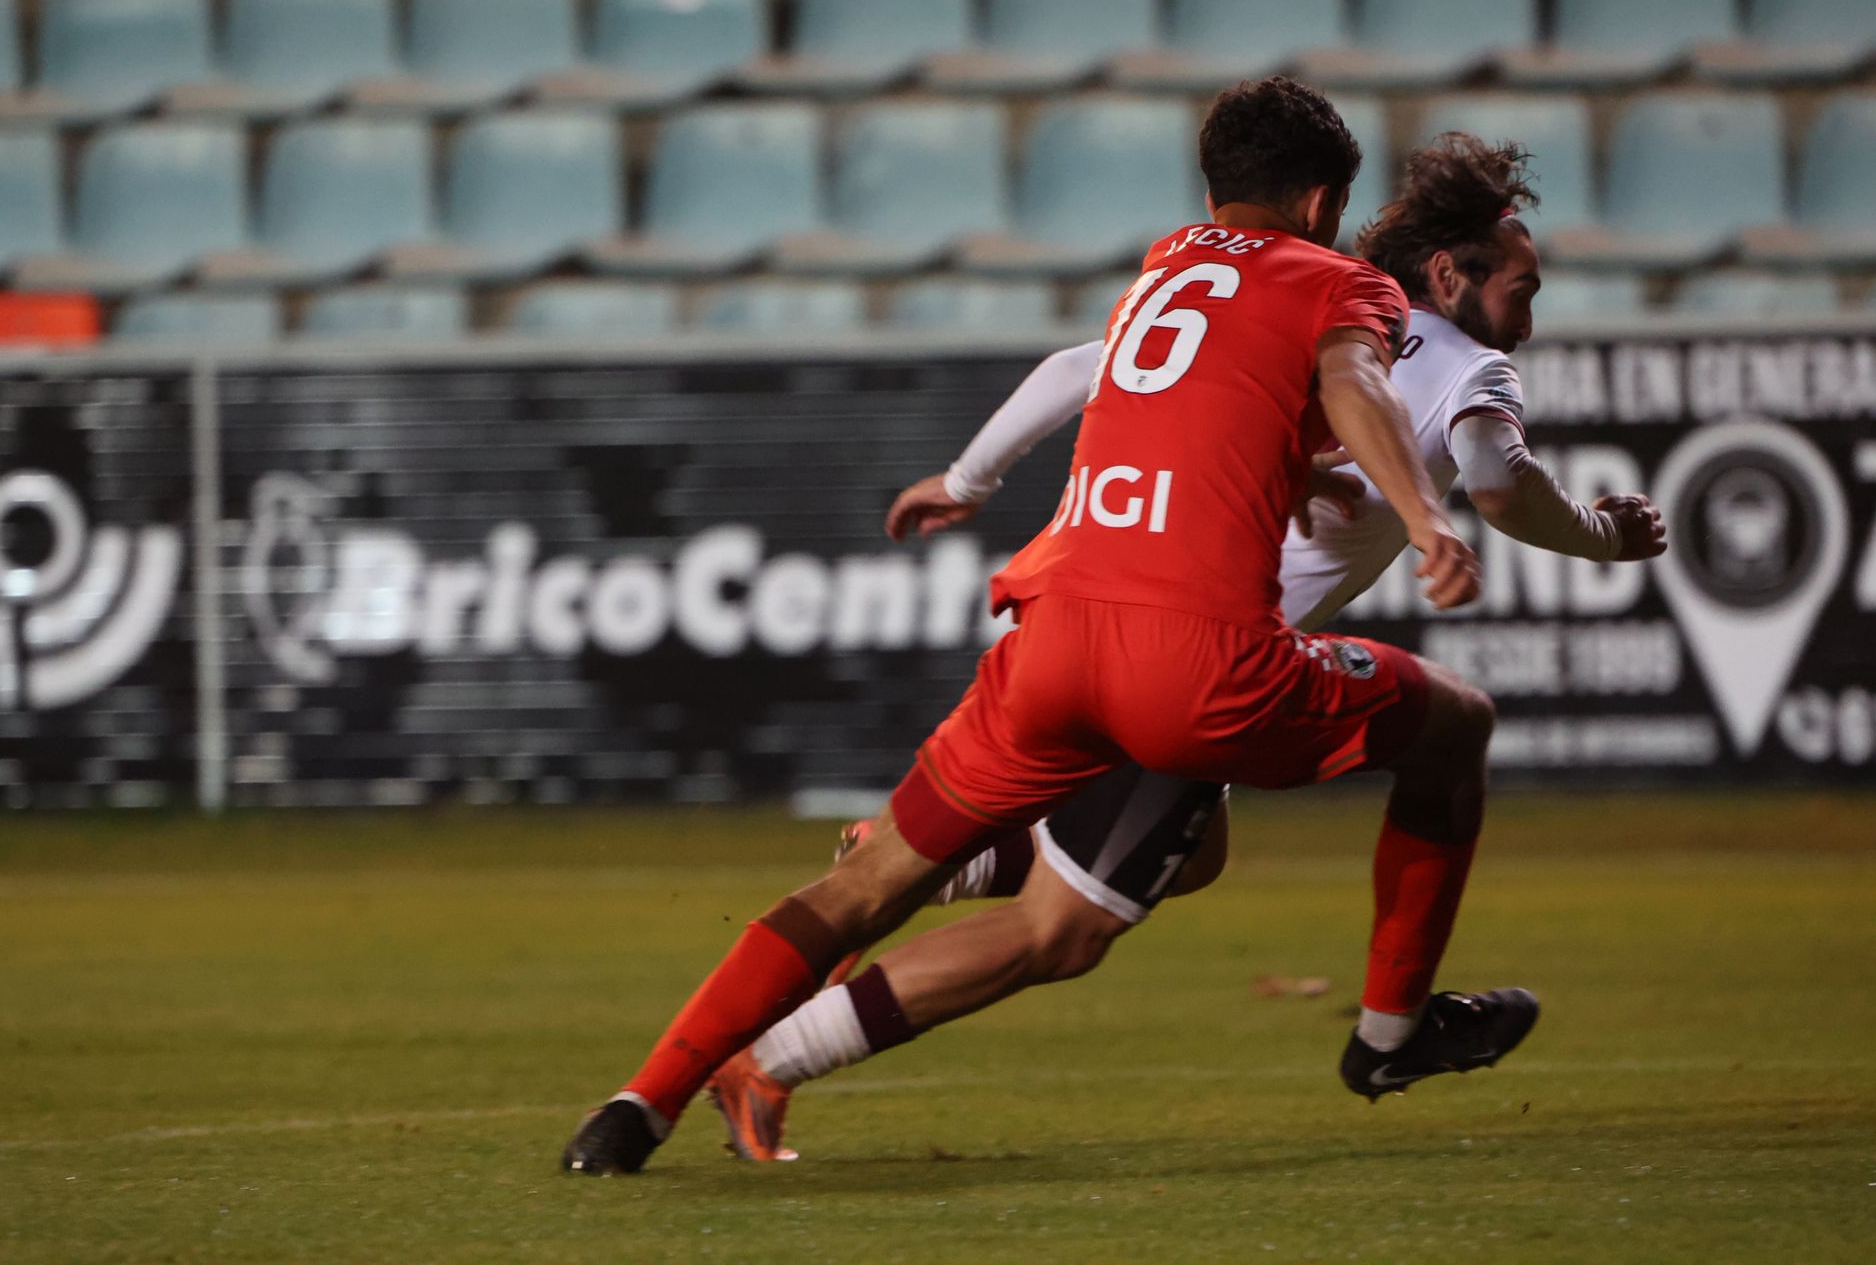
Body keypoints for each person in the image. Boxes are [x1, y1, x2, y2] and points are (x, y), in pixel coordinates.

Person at [566, 77, 1488, 1176]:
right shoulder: (1340, 282)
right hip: (1196, 663)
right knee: (1452, 723)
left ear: (1211, 189)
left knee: (874, 887)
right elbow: (1353, 384)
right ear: (1324, 201)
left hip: (1048, 640)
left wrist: (978, 477)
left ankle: (635, 1106)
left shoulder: (1162, 270)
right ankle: (1389, 1031)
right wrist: (1425, 516)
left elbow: (1165, 407)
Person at [705, 132, 1669, 1161]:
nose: (1528, 318)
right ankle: (773, 1056)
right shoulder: (1469, 367)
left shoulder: (1291, 307)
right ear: (1447, 274)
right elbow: (1497, 481)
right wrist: (1605, 535)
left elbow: (1075, 368)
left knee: (1193, 853)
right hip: (1199, 655)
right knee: (1060, 930)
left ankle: (934, 865)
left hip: (1089, 613)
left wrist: (968, 478)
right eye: (1523, 290)